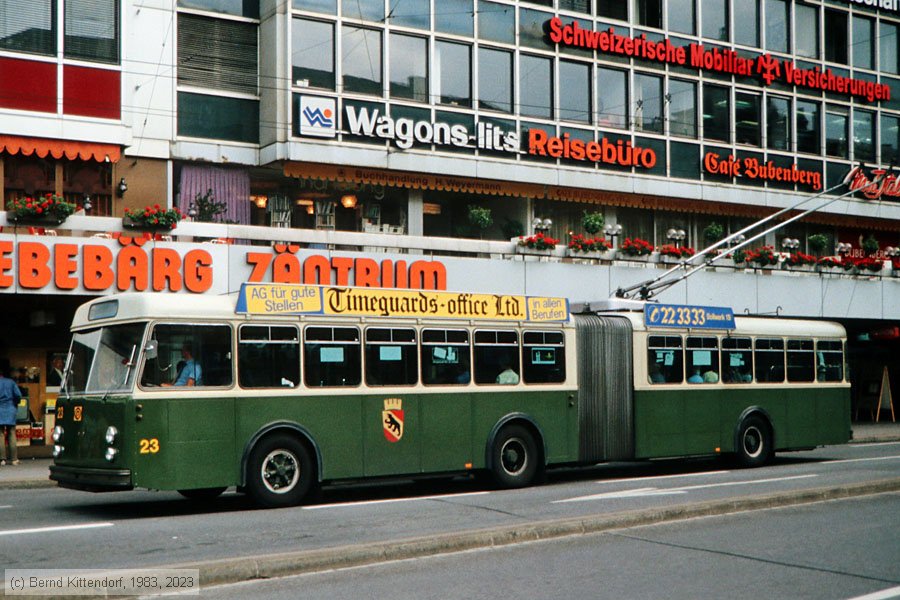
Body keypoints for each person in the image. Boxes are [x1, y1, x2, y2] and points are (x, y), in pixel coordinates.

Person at [0, 367, 22, 466]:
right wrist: (15, 404)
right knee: (11, 433)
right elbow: (18, 395)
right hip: (10, 409)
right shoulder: (11, 382)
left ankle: (2, 460)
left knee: (0, 435)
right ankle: (14, 459)